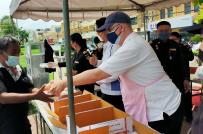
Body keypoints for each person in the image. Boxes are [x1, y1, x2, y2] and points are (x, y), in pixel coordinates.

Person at [47, 11, 182, 134]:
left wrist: (64, 82)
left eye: (109, 30)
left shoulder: (133, 46)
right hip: (153, 105)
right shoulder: (126, 44)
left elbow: (99, 74)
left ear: (120, 28)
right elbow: (105, 68)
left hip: (164, 109)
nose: (107, 34)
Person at [0, 36, 54, 134]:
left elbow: (28, 87)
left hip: (22, 123)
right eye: (13, 52)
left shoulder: (18, 68)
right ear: (0, 53)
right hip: (5, 127)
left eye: (18, 52)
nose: (17, 55)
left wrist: (44, 90)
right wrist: (34, 96)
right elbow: (3, 97)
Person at [89, 17, 124, 111]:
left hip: (116, 93)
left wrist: (98, 79)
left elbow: (114, 72)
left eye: (100, 31)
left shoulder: (116, 45)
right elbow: (107, 64)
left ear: (108, 29)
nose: (98, 34)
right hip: (106, 90)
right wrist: (97, 62)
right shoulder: (107, 45)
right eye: (97, 31)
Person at [170, 32, 194, 122]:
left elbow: (191, 58)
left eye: (175, 39)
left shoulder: (184, 47)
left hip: (184, 77)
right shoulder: (168, 48)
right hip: (172, 77)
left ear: (179, 39)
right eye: (171, 39)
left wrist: (187, 49)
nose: (172, 41)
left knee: (186, 97)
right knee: (174, 98)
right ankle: (177, 115)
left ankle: (188, 116)